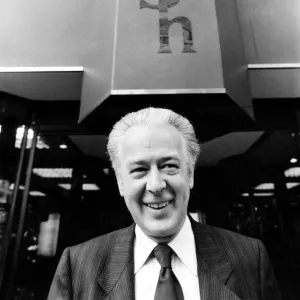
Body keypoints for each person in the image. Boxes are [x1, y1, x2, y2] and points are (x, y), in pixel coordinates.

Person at [48, 107, 281, 300]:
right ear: (120, 182)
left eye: (169, 166)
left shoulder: (250, 258)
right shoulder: (78, 266)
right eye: (139, 169)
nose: (156, 185)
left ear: (189, 174)